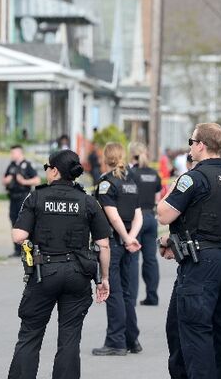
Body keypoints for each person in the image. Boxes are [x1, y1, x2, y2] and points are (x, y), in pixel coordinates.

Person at [7, 150, 113, 379]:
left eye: (47, 167)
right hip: (78, 274)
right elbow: (103, 245)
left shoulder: (36, 197)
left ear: (54, 171)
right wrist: (103, 279)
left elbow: (18, 236)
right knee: (70, 337)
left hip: (43, 273)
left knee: (30, 334)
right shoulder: (87, 201)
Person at [156, 122, 221, 379]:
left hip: (200, 265)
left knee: (194, 331)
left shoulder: (193, 178)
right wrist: (172, 240)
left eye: (191, 142)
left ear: (201, 145)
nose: (190, 147)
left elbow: (164, 214)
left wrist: (175, 185)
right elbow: (206, 220)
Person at [92, 142, 143, 356]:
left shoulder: (106, 183)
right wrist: (131, 238)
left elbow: (112, 217)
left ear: (106, 158)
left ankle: (116, 342)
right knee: (127, 293)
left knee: (113, 291)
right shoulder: (130, 182)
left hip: (114, 242)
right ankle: (132, 340)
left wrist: (124, 238)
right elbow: (138, 215)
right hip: (129, 242)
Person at [128, 142, 162, 306]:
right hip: (151, 217)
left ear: (131, 154)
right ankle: (152, 296)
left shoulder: (131, 173)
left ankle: (131, 298)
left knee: (132, 260)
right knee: (151, 260)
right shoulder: (154, 174)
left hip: (136, 218)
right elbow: (157, 196)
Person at [3, 145, 40, 256]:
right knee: (14, 221)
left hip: (24, 197)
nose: (11, 155)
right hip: (13, 197)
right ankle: (17, 250)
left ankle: (27, 249)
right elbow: (4, 180)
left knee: (25, 222)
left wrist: (24, 182)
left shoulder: (27, 165)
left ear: (19, 153)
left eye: (13, 153)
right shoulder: (11, 165)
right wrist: (7, 180)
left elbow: (37, 180)